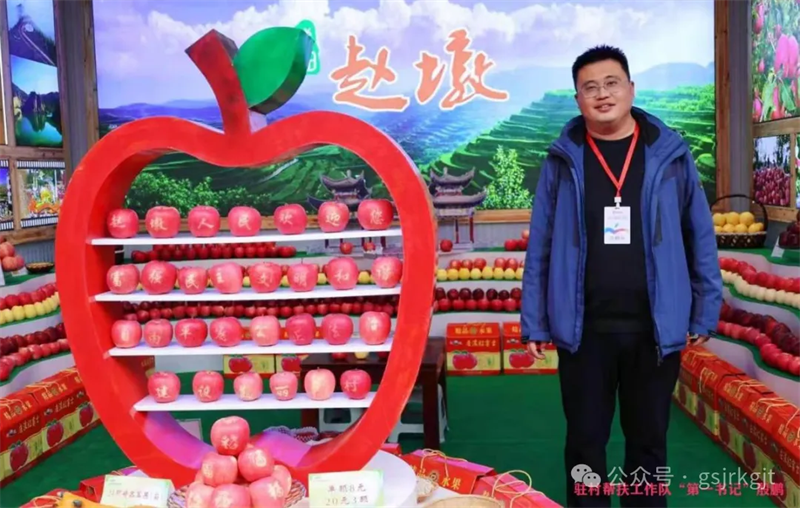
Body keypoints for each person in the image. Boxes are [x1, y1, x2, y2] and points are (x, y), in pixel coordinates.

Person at [520, 45, 722, 508]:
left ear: (631, 88)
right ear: (578, 99)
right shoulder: (562, 159)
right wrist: (534, 320)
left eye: (611, 83)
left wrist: (705, 308)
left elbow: (699, 234)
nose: (602, 94)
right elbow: (541, 244)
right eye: (590, 87)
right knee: (585, 446)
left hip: (654, 328)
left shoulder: (669, 154)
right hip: (583, 331)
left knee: (648, 445)